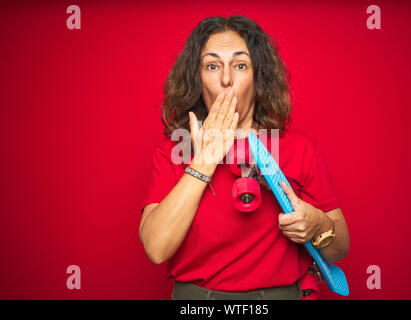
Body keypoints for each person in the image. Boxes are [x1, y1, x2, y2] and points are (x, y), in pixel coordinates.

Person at [139, 15, 349, 300]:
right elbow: (156, 247)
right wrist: (206, 158)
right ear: (197, 78)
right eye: (212, 66)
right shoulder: (174, 150)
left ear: (257, 76)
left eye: (240, 65)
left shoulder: (299, 149)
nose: (226, 79)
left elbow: (340, 249)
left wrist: (317, 223)